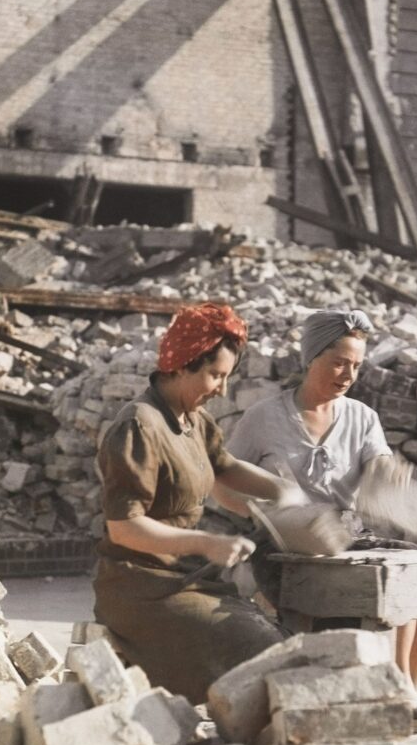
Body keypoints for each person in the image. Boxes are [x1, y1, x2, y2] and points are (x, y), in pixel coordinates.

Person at [223, 308, 417, 717]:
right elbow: (222, 480)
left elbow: (378, 466)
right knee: (391, 585)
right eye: (339, 362)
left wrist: (391, 480)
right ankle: (397, 687)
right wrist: (259, 511)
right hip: (286, 545)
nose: (347, 374)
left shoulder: (362, 418)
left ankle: (410, 687)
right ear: (311, 358)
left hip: (344, 537)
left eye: (356, 365)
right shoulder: (264, 418)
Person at [93, 302, 292, 705]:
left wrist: (285, 492)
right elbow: (124, 527)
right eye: (215, 375)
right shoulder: (140, 425)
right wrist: (206, 543)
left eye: (226, 377)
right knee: (262, 645)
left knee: (276, 633)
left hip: (185, 576)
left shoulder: (193, 419)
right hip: (140, 586)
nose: (221, 389)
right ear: (182, 364)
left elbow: (225, 466)